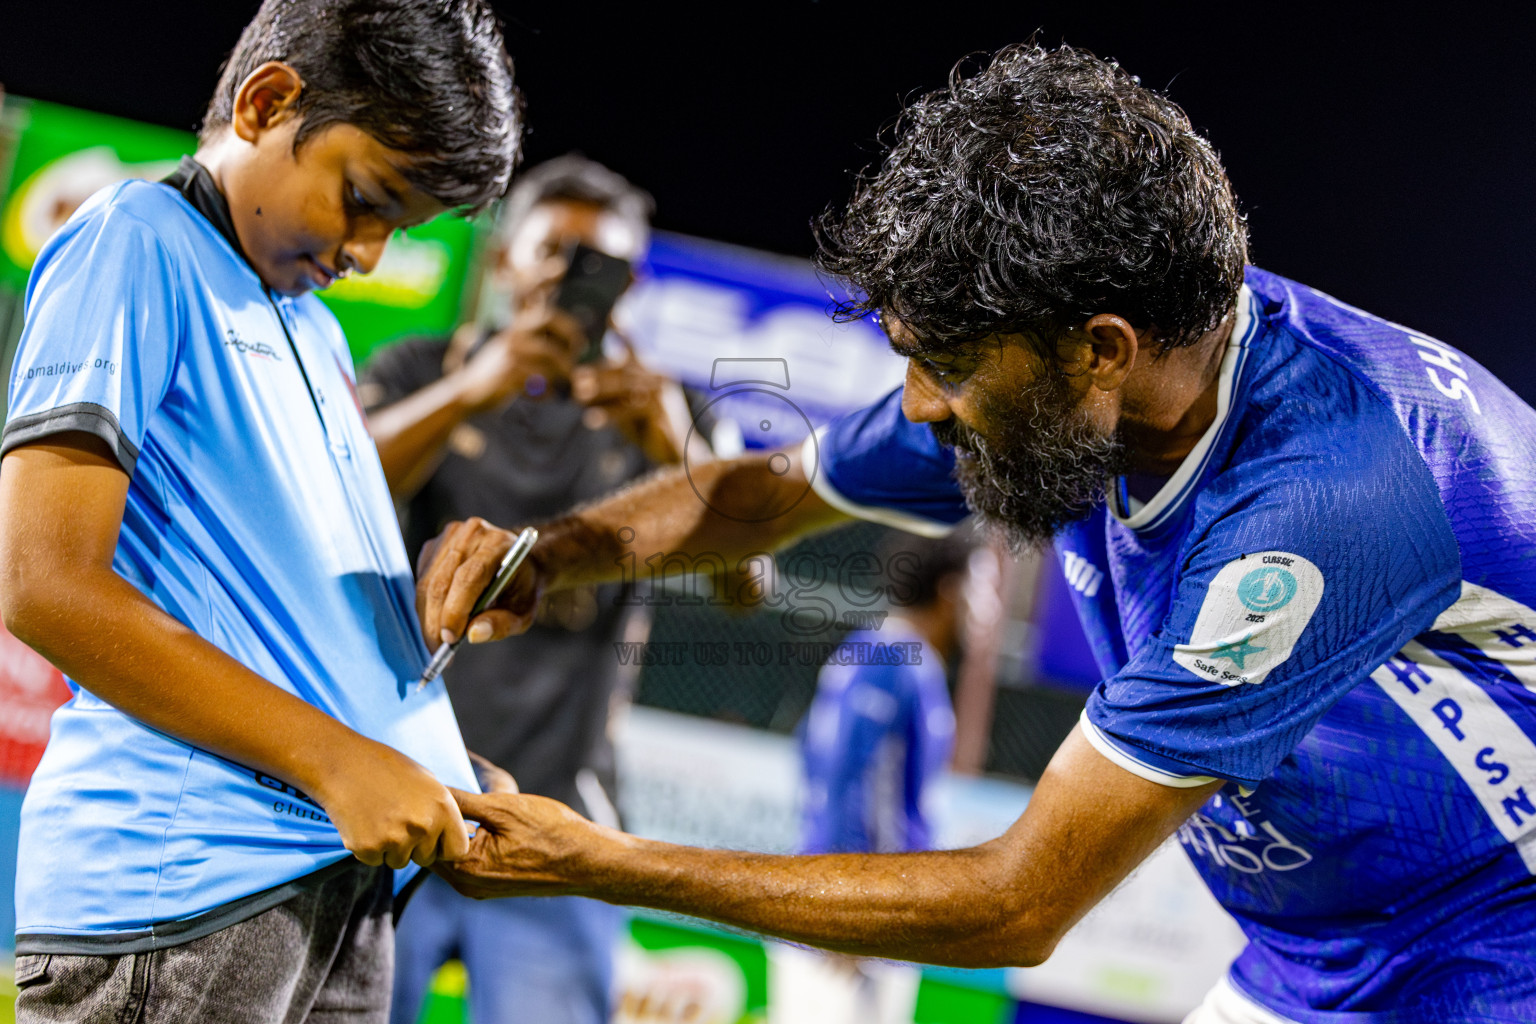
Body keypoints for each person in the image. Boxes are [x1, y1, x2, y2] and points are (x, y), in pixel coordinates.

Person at [420, 43, 1536, 1024]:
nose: (914, 404)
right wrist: (550, 549)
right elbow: (769, 493)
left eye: (943, 366)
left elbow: (1019, 899)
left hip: (1489, 965)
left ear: (1102, 349)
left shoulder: (1319, 506)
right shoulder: (1086, 365)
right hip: (1317, 957)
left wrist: (605, 861)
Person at [0, 2, 519, 1021]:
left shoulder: (316, 331)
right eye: (366, 200)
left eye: (400, 227)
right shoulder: (135, 241)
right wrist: (338, 755)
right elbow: (41, 582)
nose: (370, 251)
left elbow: (280, 616)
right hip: (181, 892)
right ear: (267, 102)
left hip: (331, 886)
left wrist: (428, 753)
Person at [361, 155, 696, 1024]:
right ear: (506, 257)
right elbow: (335, 489)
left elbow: (750, 585)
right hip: (392, 790)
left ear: (634, 285)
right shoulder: (423, 367)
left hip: (560, 820)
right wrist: (475, 390)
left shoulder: (661, 413)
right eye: (552, 252)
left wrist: (683, 456)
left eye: (601, 264)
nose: (568, 280)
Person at [770, 532, 966, 1024]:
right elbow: (843, 779)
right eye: (978, 587)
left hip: (873, 917)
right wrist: (849, 911)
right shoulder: (894, 660)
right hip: (852, 922)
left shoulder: (882, 654)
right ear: (949, 589)